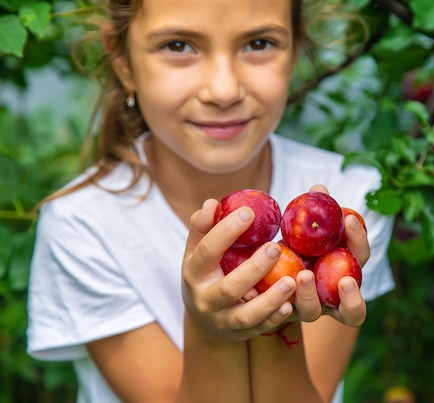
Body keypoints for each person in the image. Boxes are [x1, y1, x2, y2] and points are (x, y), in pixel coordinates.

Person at [26, 0, 395, 402]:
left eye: (258, 43)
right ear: (123, 61)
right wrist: (211, 333)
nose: (223, 90)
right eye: (179, 45)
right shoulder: (84, 225)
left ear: (295, 51)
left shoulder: (349, 202)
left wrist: (280, 311)